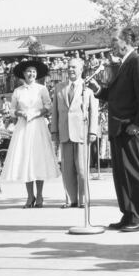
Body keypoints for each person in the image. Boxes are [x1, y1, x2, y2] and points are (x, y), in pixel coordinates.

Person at [87, 27, 139, 232]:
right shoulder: (123, 64)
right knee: (122, 175)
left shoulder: (137, 61)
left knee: (135, 172)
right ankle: (128, 213)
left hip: (129, 127)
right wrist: (99, 90)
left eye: (115, 40)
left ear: (126, 41)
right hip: (118, 128)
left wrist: (138, 124)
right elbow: (117, 95)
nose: (112, 44)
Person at [2, 59, 59, 208]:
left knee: (38, 159)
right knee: (25, 160)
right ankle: (29, 196)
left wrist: (36, 114)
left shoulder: (42, 89)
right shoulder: (17, 91)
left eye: (33, 71)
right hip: (23, 127)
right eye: (28, 71)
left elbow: (49, 106)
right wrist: (20, 113)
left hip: (38, 125)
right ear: (23, 74)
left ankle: (39, 195)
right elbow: (12, 110)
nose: (31, 74)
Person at [49, 57, 99, 208]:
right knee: (67, 170)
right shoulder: (59, 87)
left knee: (82, 170)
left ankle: (83, 200)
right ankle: (71, 199)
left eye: (74, 67)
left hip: (82, 133)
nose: (71, 69)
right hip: (65, 133)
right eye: (69, 67)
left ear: (81, 69)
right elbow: (55, 111)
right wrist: (54, 131)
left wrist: (92, 131)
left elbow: (94, 111)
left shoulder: (88, 88)